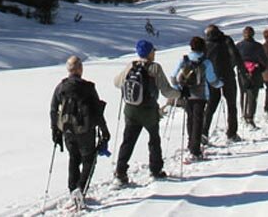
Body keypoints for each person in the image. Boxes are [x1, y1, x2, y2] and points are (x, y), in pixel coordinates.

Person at [112, 40, 180, 186]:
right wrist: (179, 94)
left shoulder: (131, 65)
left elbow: (117, 82)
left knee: (128, 141)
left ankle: (120, 172)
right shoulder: (155, 68)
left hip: (130, 109)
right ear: (149, 53)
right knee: (154, 139)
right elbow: (166, 90)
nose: (154, 53)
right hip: (148, 110)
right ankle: (155, 169)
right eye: (153, 51)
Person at [50, 56, 111, 205]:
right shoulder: (88, 88)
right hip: (85, 131)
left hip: (68, 131)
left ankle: (72, 190)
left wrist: (55, 131)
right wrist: (104, 131)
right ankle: (80, 189)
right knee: (89, 160)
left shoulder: (61, 87)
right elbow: (98, 112)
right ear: (80, 70)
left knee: (74, 158)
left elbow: (53, 110)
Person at [172, 37, 222, 161]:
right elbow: (212, 80)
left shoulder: (184, 60)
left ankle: (190, 144)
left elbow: (173, 77)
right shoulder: (206, 62)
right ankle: (195, 149)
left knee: (190, 118)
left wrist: (179, 88)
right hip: (201, 95)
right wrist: (221, 84)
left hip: (187, 94)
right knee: (198, 120)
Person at [202, 25, 246, 142]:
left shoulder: (205, 44)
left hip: (211, 79)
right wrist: (242, 70)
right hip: (228, 76)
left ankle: (204, 133)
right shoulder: (226, 40)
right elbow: (235, 56)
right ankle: (232, 133)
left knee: (210, 106)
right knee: (231, 105)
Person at [236, 26, 266, 129]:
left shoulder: (239, 45)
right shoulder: (258, 46)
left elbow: (234, 60)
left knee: (243, 93)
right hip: (255, 72)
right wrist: (260, 69)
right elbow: (264, 61)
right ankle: (250, 117)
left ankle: (243, 115)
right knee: (253, 95)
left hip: (242, 73)